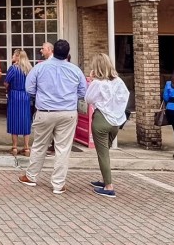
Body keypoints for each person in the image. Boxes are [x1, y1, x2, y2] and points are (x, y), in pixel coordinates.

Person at [18, 39, 86, 195]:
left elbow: (29, 88)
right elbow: (83, 91)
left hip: (45, 111)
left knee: (40, 145)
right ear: (68, 54)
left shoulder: (40, 68)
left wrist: (42, 95)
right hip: (67, 112)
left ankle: (31, 176)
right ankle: (58, 184)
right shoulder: (75, 70)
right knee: (63, 149)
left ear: (53, 51)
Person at [85, 53, 130, 198]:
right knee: (106, 152)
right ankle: (104, 180)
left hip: (101, 119)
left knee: (102, 154)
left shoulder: (98, 83)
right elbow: (125, 97)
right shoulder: (118, 81)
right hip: (116, 121)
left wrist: (92, 81)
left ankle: (109, 186)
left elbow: (88, 98)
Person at [5, 49, 33, 156]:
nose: (12, 56)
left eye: (13, 55)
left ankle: (15, 147)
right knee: (25, 121)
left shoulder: (13, 68)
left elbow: (6, 82)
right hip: (25, 96)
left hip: (14, 96)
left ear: (17, 57)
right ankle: (26, 148)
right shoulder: (29, 69)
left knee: (14, 120)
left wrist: (7, 89)